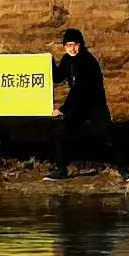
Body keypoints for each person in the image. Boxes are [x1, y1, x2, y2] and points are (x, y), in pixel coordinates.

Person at [45, 27, 113, 180]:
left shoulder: (88, 61)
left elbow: (78, 89)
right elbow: (58, 78)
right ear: (64, 46)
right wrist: (47, 63)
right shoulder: (67, 59)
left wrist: (62, 109)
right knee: (62, 133)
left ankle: (125, 170)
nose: (72, 48)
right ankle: (61, 170)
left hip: (95, 105)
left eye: (75, 44)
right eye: (68, 45)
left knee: (108, 135)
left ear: (81, 44)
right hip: (79, 107)